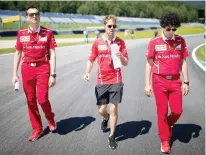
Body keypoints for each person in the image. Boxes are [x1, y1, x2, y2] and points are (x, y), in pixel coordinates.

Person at [144, 12, 189, 154]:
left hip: (176, 81)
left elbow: (183, 62)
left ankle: (166, 125)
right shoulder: (154, 42)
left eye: (174, 29)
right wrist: (147, 83)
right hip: (159, 81)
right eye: (168, 29)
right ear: (163, 27)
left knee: (177, 111)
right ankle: (165, 141)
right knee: (161, 112)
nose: (171, 32)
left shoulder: (181, 41)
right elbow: (149, 64)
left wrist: (186, 81)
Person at [12, 6, 57, 142]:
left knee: (42, 99)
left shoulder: (48, 32)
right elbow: (18, 53)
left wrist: (53, 74)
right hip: (27, 69)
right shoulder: (22, 33)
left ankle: (50, 117)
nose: (34, 16)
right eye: (31, 14)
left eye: (36, 14)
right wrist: (14, 74)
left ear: (39, 16)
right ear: (27, 17)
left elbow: (53, 54)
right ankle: (37, 128)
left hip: (43, 68)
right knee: (31, 101)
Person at [83, 15, 128, 149]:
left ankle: (112, 136)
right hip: (102, 80)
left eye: (114, 26)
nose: (112, 28)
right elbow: (91, 59)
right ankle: (106, 117)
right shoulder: (97, 43)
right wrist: (87, 72)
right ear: (105, 26)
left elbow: (126, 63)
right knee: (102, 110)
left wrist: (121, 57)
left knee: (114, 108)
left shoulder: (120, 42)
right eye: (109, 26)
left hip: (116, 79)